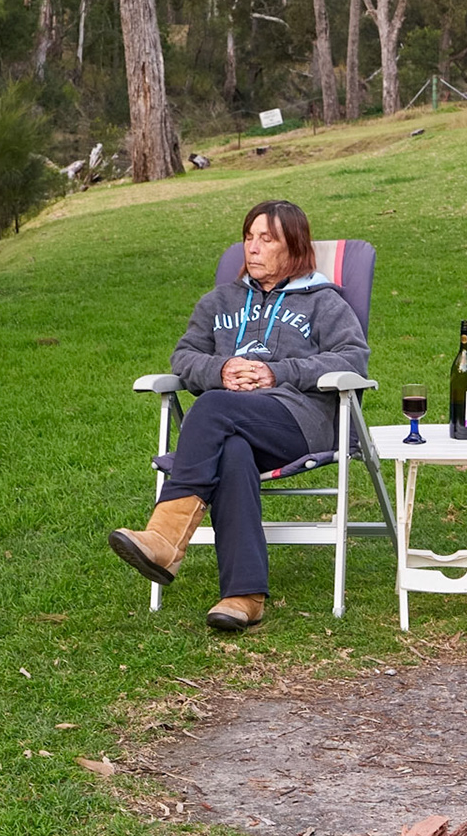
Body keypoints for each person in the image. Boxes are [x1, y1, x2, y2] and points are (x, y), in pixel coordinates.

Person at [108, 200, 368, 630]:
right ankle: (243, 595)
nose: (253, 247)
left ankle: (165, 538)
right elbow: (184, 356)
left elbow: (353, 360)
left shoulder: (325, 302)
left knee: (211, 408)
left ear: (294, 247)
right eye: (249, 237)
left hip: (299, 422)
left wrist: (276, 372)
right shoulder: (219, 301)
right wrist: (221, 369)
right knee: (230, 451)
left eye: (267, 239)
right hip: (232, 422)